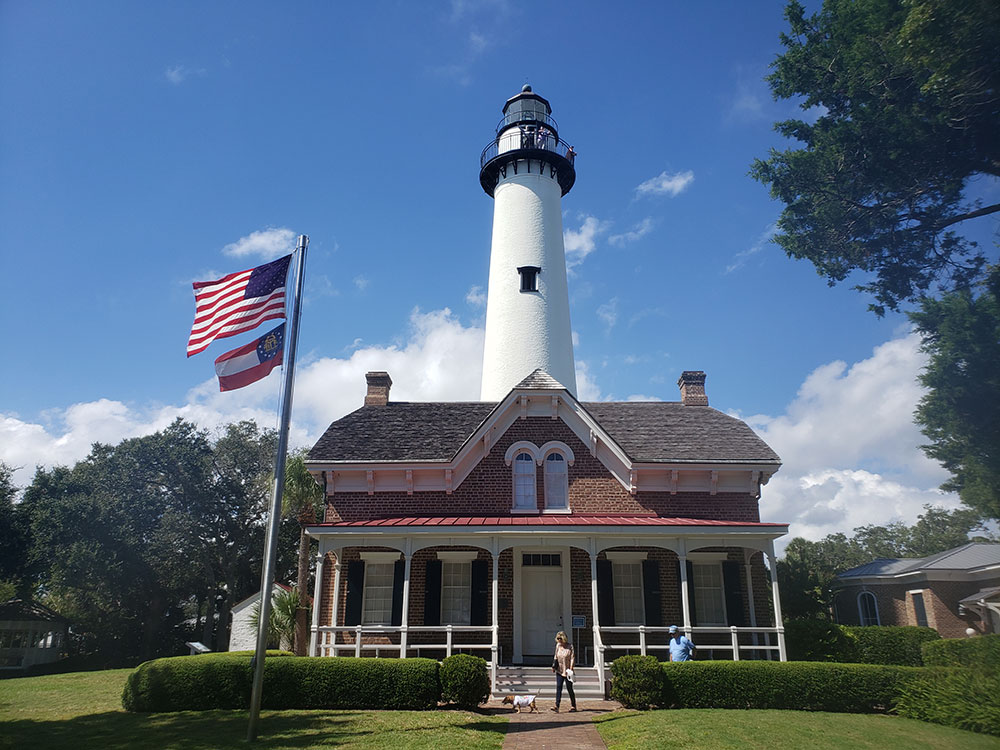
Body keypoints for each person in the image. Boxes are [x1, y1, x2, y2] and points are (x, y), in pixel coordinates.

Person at [551, 630, 577, 712]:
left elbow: (572, 657)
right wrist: (554, 666)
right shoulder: (558, 646)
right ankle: (557, 705)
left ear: (564, 638)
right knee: (559, 687)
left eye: (560, 638)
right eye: (557, 638)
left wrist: (571, 668)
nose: (559, 640)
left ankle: (573, 705)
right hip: (560, 670)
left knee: (569, 688)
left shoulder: (570, 646)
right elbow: (555, 656)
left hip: (568, 670)